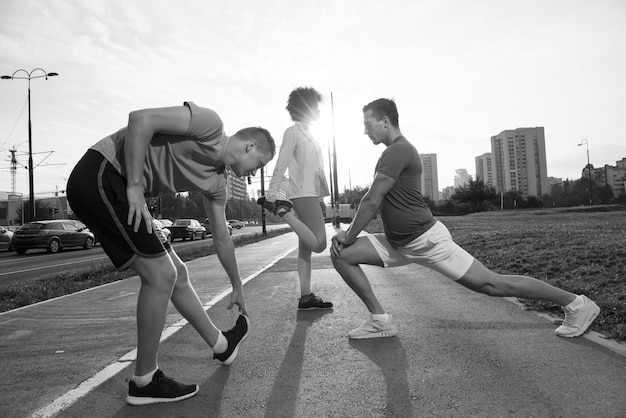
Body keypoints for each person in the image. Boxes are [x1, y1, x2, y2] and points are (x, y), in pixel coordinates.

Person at [330, 98, 600, 340]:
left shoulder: (397, 151)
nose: (366, 130)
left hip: (426, 241)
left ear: (385, 121)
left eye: (368, 124)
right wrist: (349, 241)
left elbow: (372, 200)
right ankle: (380, 321)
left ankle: (576, 304)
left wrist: (349, 234)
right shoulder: (393, 152)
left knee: (493, 284)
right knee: (342, 255)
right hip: (398, 243)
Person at [66, 101, 276, 405]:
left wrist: (237, 285)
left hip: (125, 187)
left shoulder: (218, 184)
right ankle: (145, 381)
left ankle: (222, 345)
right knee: (160, 276)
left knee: (177, 274)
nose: (254, 174)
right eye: (259, 165)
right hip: (104, 171)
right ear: (250, 145)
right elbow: (141, 119)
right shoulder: (209, 124)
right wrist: (136, 185)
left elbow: (222, 238)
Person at [257, 87, 333, 311]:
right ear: (305, 107)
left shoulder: (308, 133)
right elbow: (281, 164)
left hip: (311, 194)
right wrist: (271, 196)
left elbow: (316, 171)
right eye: (315, 106)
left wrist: (321, 199)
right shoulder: (293, 132)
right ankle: (283, 211)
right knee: (319, 244)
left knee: (306, 249)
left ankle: (305, 296)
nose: (318, 110)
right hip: (302, 194)